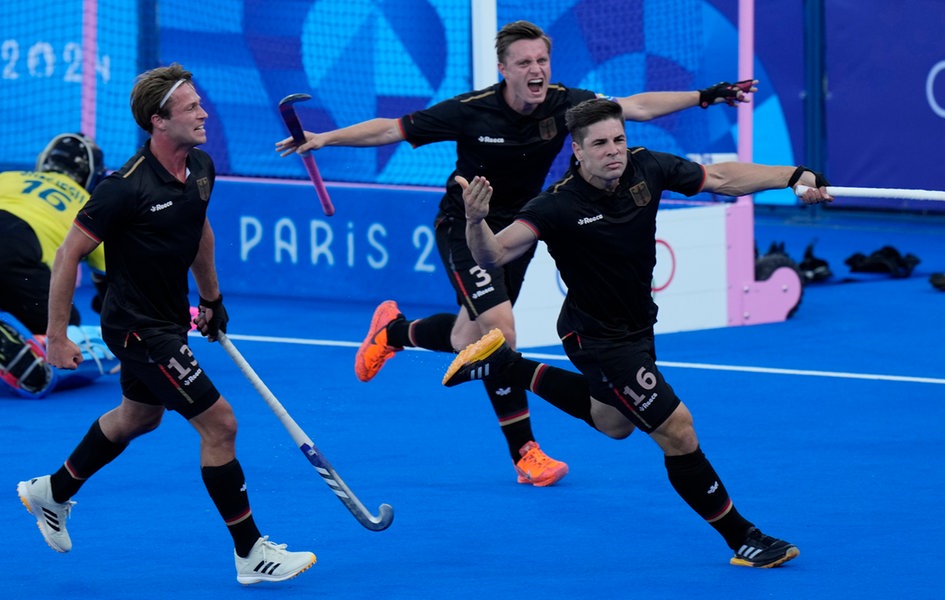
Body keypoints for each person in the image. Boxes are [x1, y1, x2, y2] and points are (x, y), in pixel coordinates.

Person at [276, 20, 757, 487]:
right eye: (524, 62)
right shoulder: (471, 110)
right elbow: (391, 130)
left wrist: (705, 96)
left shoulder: (566, 104)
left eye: (543, 59)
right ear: (503, 68)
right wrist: (323, 138)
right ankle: (526, 453)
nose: (537, 70)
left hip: (520, 232)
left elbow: (636, 106)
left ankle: (396, 331)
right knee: (499, 332)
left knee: (470, 333)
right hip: (467, 228)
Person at [443, 97, 832, 568]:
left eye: (619, 140)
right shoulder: (557, 205)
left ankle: (506, 364)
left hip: (638, 326)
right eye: (601, 143)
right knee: (677, 430)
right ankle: (742, 538)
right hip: (596, 338)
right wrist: (475, 221)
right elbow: (493, 257)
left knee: (613, 423)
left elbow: (724, 178)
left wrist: (794, 175)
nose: (614, 151)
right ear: (578, 151)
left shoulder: (646, 169)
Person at [16, 63, 316, 585]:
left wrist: (212, 298)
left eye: (201, 104)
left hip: (169, 321)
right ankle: (251, 554)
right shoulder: (122, 189)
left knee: (138, 418)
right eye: (192, 108)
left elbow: (199, 231)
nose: (204, 113)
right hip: (136, 328)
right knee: (220, 424)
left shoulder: (200, 167)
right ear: (158, 121)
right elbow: (68, 256)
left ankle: (52, 491)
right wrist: (58, 336)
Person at [0, 133, 117, 398]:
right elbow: (113, 287)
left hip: (12, 248)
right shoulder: (91, 205)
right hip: (17, 256)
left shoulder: (8, 177)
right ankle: (32, 348)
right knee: (67, 330)